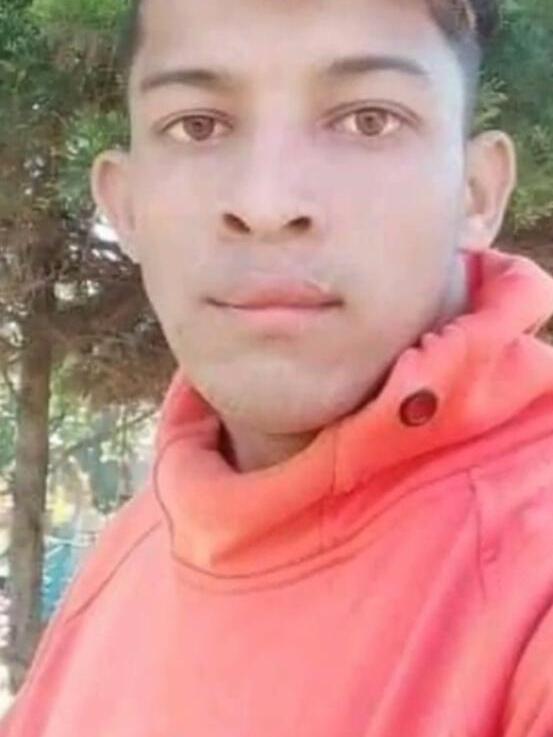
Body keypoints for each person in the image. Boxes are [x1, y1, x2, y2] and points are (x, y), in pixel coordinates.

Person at [3, 0, 553, 734]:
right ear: (125, 205)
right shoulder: (125, 557)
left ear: (476, 194)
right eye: (198, 125)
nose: (266, 205)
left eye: (368, 120)